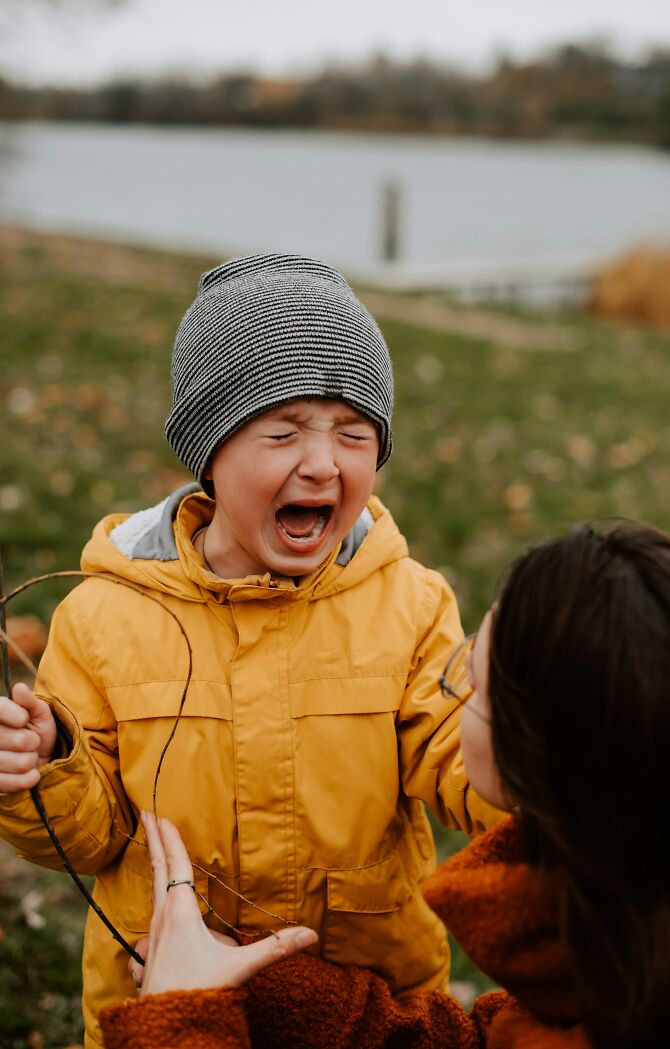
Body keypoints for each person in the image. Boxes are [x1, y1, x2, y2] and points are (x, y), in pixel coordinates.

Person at [0, 254, 501, 1047]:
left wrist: (523, 747)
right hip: (167, 1001)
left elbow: (455, 757)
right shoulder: (105, 615)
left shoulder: (409, 604)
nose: (322, 461)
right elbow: (90, 835)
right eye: (282, 430)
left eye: (354, 432)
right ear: (209, 450)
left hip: (367, 1013)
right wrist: (48, 763)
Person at [99, 522, 670, 1049]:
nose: (455, 688)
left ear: (545, 755)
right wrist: (272, 989)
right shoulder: (628, 946)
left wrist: (178, 1013)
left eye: (476, 682)